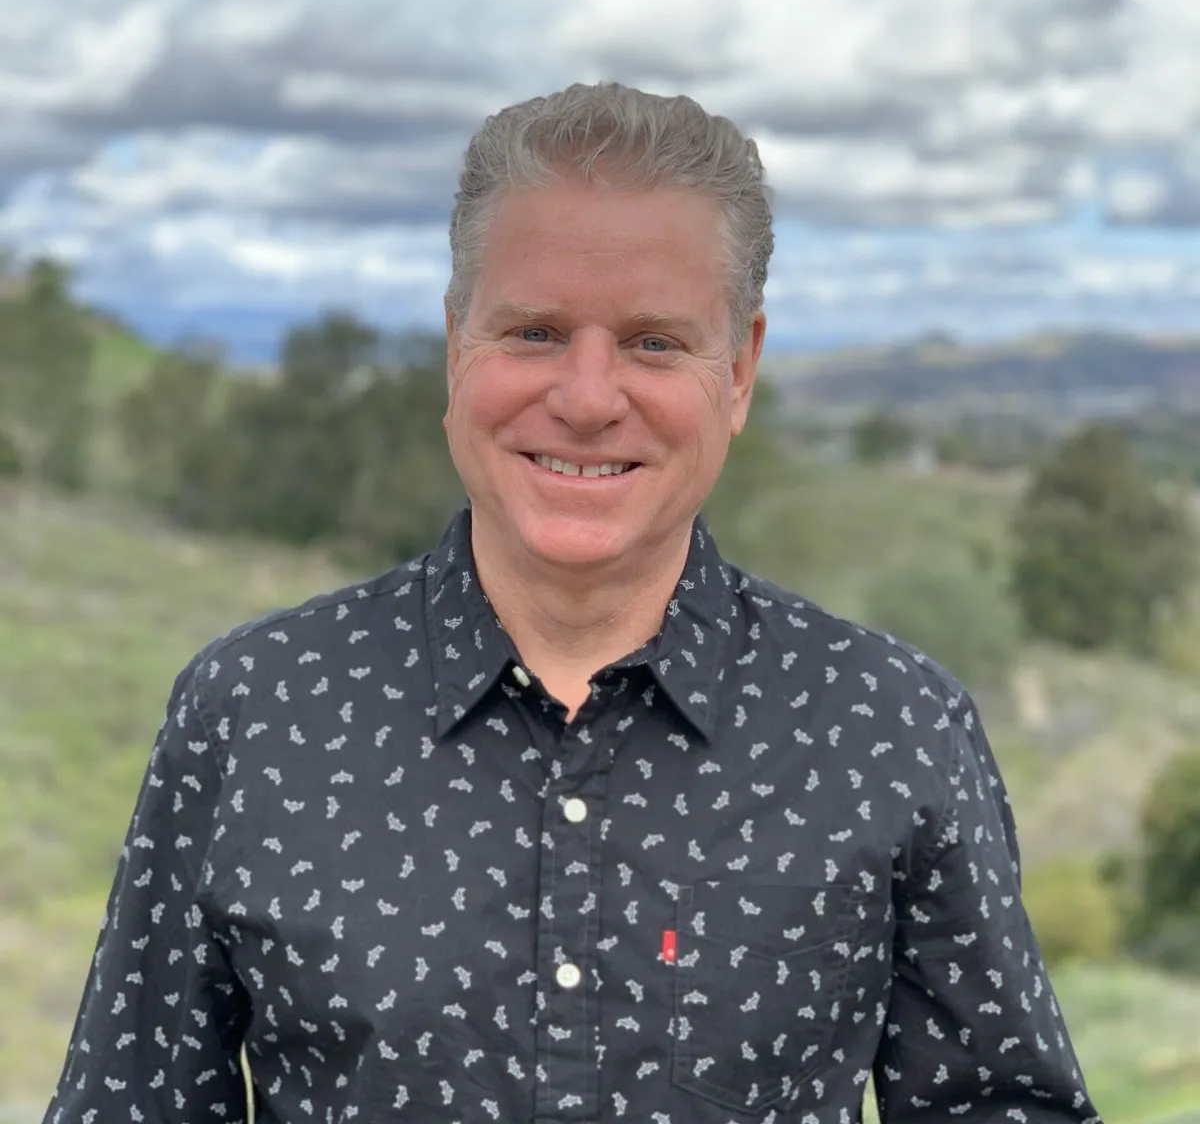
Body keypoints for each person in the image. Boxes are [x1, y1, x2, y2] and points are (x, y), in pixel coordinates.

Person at [43, 82, 1100, 1123]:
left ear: (739, 371)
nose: (589, 400)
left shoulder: (891, 728)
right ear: (456, 343)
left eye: (653, 342)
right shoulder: (252, 713)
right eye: (536, 332)